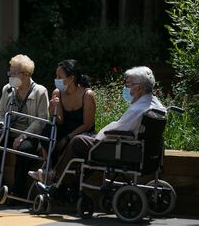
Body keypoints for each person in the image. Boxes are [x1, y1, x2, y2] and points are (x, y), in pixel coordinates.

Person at [31, 66, 165, 186]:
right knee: (81, 138)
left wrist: (99, 136)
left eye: (129, 84)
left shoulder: (138, 109)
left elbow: (118, 130)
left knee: (77, 141)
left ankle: (55, 176)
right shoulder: (154, 104)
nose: (126, 88)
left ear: (140, 88)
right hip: (132, 146)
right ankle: (66, 179)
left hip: (121, 147)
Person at [0, 54, 49, 204]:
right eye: (9, 72)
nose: (10, 76)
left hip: (30, 134)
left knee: (24, 150)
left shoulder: (40, 91)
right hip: (10, 130)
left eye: (13, 73)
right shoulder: (8, 89)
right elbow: (0, 112)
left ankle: (17, 192)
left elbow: (41, 121)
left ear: (25, 74)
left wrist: (23, 136)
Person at [28, 59, 96, 181]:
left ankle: (51, 174)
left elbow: (88, 124)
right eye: (56, 76)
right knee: (48, 129)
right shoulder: (57, 92)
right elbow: (59, 121)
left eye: (60, 76)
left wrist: (67, 138)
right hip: (64, 129)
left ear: (71, 78)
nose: (56, 79)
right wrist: (52, 108)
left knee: (68, 140)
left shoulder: (87, 95)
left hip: (82, 133)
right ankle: (48, 169)